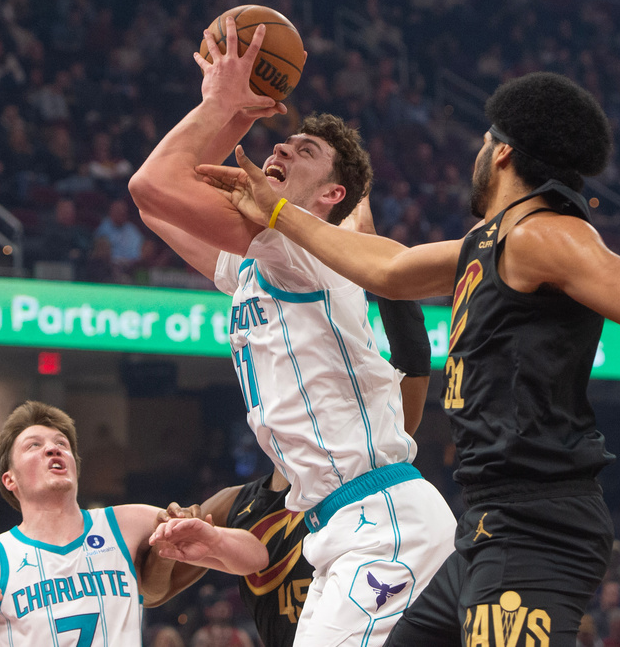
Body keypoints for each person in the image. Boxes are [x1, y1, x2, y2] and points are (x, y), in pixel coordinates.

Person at [198, 70, 620, 645]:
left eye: (480, 141)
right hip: (488, 526)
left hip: (541, 529)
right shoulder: (485, 243)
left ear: (500, 151)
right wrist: (276, 210)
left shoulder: (545, 233)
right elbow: (385, 269)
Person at [128, 17, 456, 646]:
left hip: (381, 516)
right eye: (284, 142)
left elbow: (154, 181)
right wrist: (235, 119)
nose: (280, 149)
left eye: (303, 151)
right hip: (340, 521)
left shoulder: (302, 249)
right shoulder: (257, 265)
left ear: (333, 194)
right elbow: (153, 204)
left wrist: (222, 105)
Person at [144, 224, 435, 647]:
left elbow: (413, 357)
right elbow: (154, 592)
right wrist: (164, 543)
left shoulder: (372, 458)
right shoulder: (233, 507)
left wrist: (374, 255)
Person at [0, 400, 267, 647]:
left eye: (62, 444)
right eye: (34, 445)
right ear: (9, 479)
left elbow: (257, 557)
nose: (53, 448)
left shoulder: (125, 523)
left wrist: (214, 541)